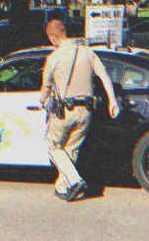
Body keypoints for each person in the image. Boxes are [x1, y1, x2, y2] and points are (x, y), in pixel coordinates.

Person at [40, 19, 120, 202]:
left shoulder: (54, 58)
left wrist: (41, 101)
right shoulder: (87, 52)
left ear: (53, 37)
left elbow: (46, 87)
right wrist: (112, 101)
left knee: (52, 145)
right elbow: (104, 76)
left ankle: (75, 180)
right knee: (71, 149)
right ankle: (63, 187)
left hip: (65, 111)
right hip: (86, 111)